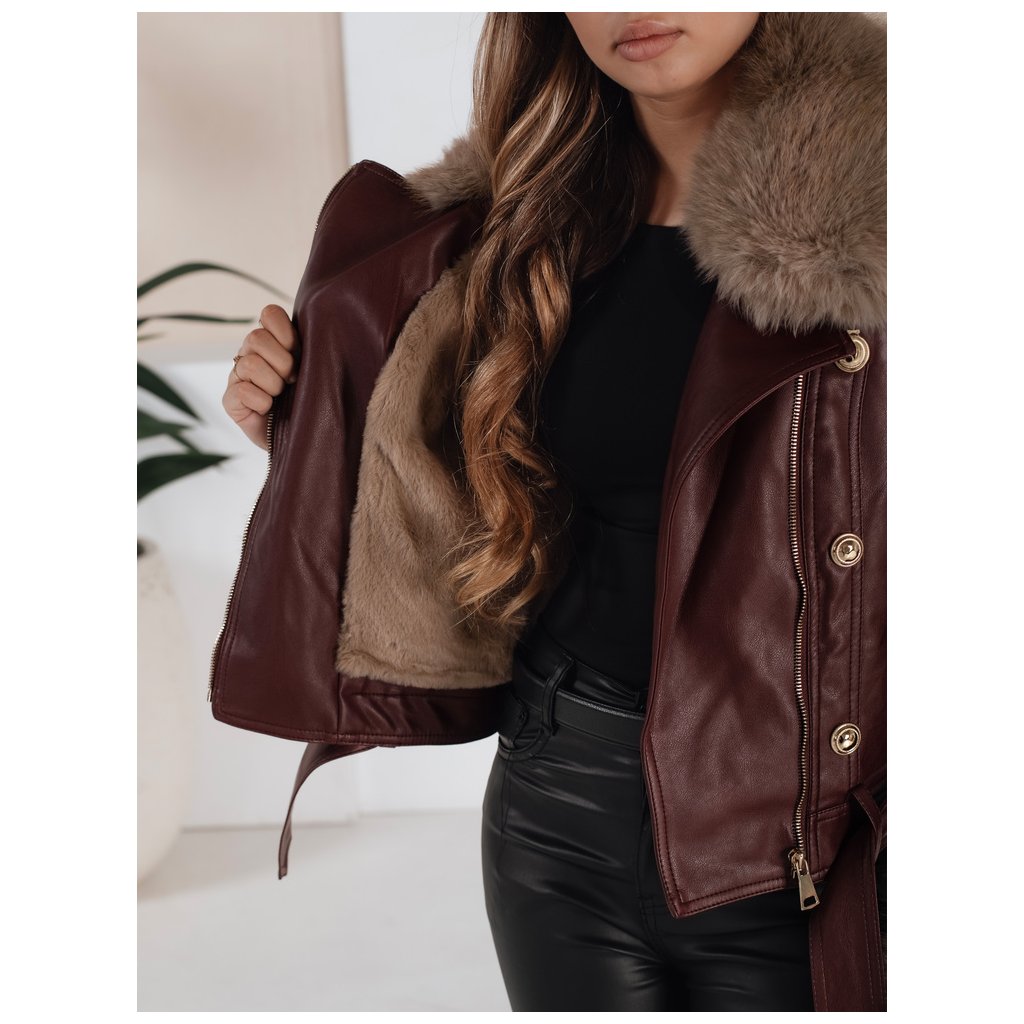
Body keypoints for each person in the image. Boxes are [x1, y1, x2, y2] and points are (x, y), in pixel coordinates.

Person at [220, 12, 886, 1012]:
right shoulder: (512, 222)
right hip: (555, 808)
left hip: (813, 839)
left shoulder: (897, 196)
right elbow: (480, 495)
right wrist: (311, 425)